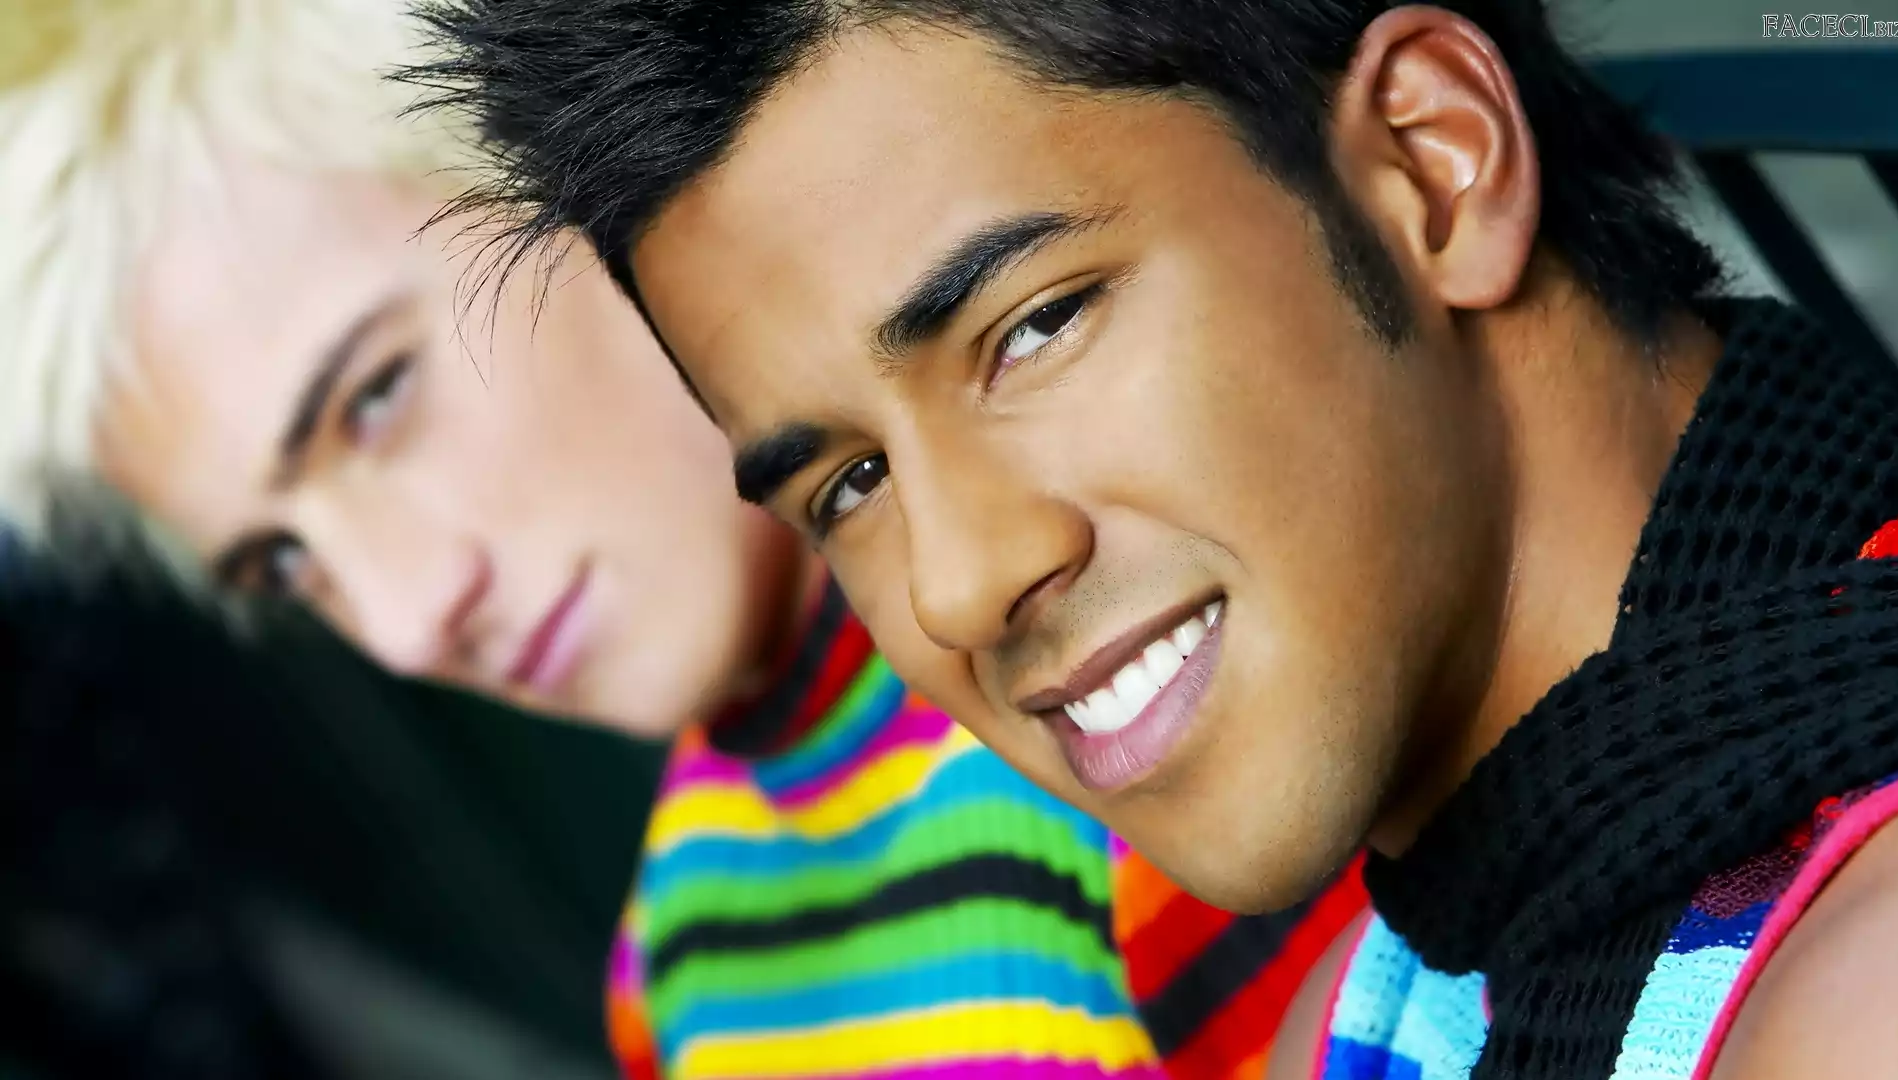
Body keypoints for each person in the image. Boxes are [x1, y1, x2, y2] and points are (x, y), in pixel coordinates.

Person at [405, 0, 1898, 1077]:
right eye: (849, 486)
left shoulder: (1866, 999)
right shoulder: (1393, 1000)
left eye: (1035, 328)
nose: (957, 583)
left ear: (1432, 167)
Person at [0, 2, 1363, 1078]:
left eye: (376, 398)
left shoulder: (1138, 682)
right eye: (284, 565)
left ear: (573, 171)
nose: (407, 620)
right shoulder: (678, 956)